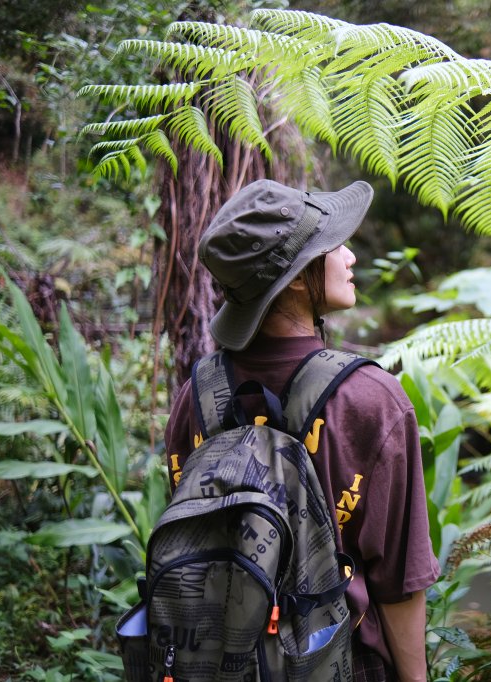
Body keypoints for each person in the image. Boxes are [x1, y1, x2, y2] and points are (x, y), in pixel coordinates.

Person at [163, 178, 440, 681]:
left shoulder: (195, 397)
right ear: (294, 278)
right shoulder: (370, 401)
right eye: (335, 245)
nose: (351, 256)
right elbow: (400, 580)